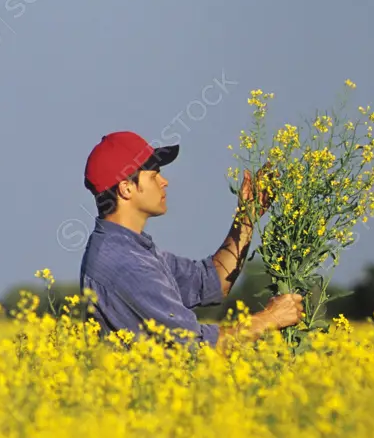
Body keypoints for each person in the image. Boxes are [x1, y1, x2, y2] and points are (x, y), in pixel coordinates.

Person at [78, 131, 302, 351]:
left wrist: (247, 217)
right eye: (154, 175)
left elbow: (211, 282)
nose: (164, 181)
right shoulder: (124, 264)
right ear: (126, 188)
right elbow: (199, 347)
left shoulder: (133, 249)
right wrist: (270, 318)